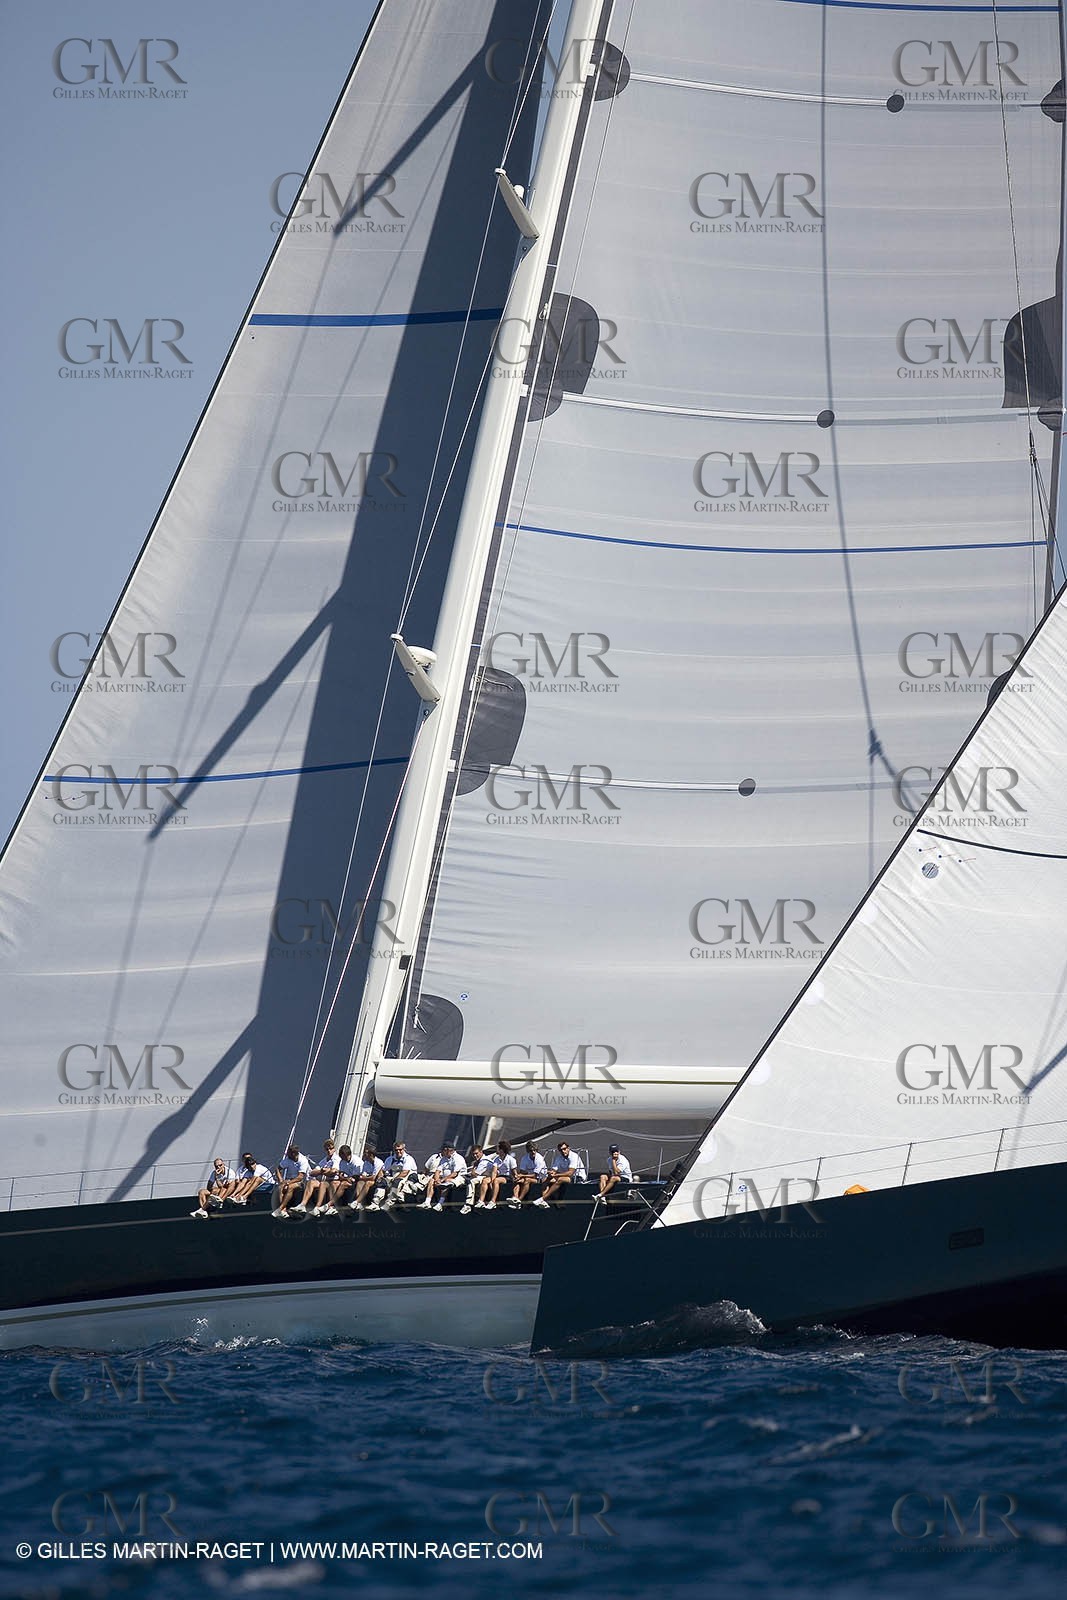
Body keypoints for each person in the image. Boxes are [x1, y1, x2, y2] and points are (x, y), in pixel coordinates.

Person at [533, 1142, 587, 1207]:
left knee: (560, 1179)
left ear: (568, 1148)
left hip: (578, 1177)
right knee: (545, 1179)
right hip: (565, 1177)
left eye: (564, 1149)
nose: (563, 1151)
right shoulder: (559, 1158)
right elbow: (554, 1170)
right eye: (561, 1150)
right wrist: (550, 1173)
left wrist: (555, 1175)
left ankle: (542, 1199)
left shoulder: (574, 1156)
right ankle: (544, 1202)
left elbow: (570, 1173)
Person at [293, 1139, 339, 1216]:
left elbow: (333, 1172)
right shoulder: (324, 1160)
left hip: (333, 1181)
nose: (329, 1151)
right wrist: (322, 1170)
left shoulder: (336, 1159)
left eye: (331, 1148)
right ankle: (302, 1205)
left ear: (334, 1149)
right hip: (325, 1181)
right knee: (311, 1182)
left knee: (324, 1183)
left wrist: (325, 1171)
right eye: (327, 1149)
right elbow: (312, 1172)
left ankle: (319, 1207)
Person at [419, 1141, 467, 1211]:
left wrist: (442, 1180)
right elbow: (438, 1171)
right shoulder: (443, 1158)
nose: (441, 1152)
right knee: (432, 1180)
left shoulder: (458, 1158)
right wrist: (437, 1180)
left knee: (447, 1182)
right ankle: (427, 1202)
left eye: (443, 1150)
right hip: (445, 1178)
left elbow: (455, 1174)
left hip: (459, 1178)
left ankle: (440, 1204)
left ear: (448, 1150)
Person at [273, 1145, 311, 1218]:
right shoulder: (288, 1159)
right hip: (293, 1180)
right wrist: (281, 1180)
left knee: (290, 1187)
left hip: (305, 1181)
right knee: (281, 1187)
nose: (286, 1154)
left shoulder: (303, 1160)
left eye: (288, 1153)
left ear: (293, 1154)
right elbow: (278, 1169)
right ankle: (283, 1210)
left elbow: (300, 1177)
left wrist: (287, 1183)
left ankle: (280, 1208)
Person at [476, 1140, 515, 1209]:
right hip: (498, 1176)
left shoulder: (511, 1159)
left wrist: (494, 1180)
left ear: (501, 1150)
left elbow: (514, 1172)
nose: (496, 1149)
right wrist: (491, 1181)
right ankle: (481, 1201)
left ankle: (493, 1201)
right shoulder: (496, 1159)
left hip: (507, 1177)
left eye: (497, 1148)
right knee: (485, 1180)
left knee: (496, 1180)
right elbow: (494, 1171)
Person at [508, 1142, 548, 1208]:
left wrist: (522, 1176)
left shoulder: (540, 1159)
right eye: (531, 1150)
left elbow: (535, 1175)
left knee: (527, 1180)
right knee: (517, 1180)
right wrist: (518, 1177)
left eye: (534, 1150)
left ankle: (519, 1200)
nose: (533, 1152)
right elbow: (522, 1172)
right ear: (528, 1151)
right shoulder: (524, 1158)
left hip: (540, 1178)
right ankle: (515, 1197)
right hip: (529, 1177)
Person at [379, 1141, 418, 1209]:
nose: (398, 1151)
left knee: (397, 1182)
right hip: (392, 1176)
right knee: (381, 1182)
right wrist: (381, 1177)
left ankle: (390, 1202)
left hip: (405, 1178)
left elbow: (405, 1172)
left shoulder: (408, 1159)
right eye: (396, 1150)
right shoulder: (390, 1159)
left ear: (404, 1149)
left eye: (400, 1149)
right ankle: (376, 1201)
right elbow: (383, 1170)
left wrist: (394, 1179)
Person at [349, 1145, 386, 1210]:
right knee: (360, 1182)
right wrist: (363, 1177)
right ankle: (358, 1203)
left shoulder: (378, 1162)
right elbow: (363, 1174)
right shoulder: (366, 1163)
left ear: (371, 1155)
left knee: (368, 1183)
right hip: (368, 1178)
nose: (364, 1154)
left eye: (365, 1153)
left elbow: (373, 1178)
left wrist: (364, 1177)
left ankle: (357, 1201)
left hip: (378, 1181)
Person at [460, 1147, 495, 1214]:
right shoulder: (478, 1161)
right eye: (473, 1154)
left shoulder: (484, 1161)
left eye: (476, 1153)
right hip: (482, 1176)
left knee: (471, 1181)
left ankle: (468, 1204)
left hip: (487, 1177)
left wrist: (473, 1167)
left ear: (481, 1152)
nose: (475, 1155)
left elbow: (475, 1174)